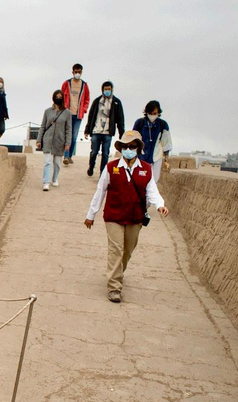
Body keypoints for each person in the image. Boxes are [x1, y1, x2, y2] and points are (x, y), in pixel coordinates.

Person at [84, 130, 169, 303]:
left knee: (128, 250)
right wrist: (90, 215)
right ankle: (114, 287)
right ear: (121, 148)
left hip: (134, 217)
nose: (128, 149)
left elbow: (152, 190)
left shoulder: (146, 169)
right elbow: (100, 192)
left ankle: (118, 271)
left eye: (132, 146)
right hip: (114, 216)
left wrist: (160, 205)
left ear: (138, 148)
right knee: (116, 249)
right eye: (125, 146)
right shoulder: (111, 168)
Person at [84, 81, 125, 177]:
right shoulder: (97, 101)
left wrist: (122, 134)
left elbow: (120, 119)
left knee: (105, 153)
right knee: (94, 152)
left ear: (112, 89)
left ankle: (102, 173)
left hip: (107, 132)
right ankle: (91, 167)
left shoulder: (116, 102)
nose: (107, 91)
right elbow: (91, 116)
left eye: (109, 89)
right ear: (102, 90)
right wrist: (87, 130)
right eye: (105, 89)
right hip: (96, 131)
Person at [36, 90, 72, 191]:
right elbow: (43, 126)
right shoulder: (47, 111)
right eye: (57, 96)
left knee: (57, 162)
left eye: (60, 97)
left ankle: (55, 178)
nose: (58, 98)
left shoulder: (67, 113)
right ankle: (46, 182)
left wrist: (68, 142)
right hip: (48, 139)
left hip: (60, 140)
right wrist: (39, 140)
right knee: (47, 162)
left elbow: (69, 129)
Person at [133, 101, 172, 183]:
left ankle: (151, 196)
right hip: (142, 156)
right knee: (140, 180)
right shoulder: (139, 123)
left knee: (154, 181)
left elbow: (166, 142)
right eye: (150, 113)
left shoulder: (163, 125)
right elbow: (133, 139)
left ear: (158, 113)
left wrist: (166, 159)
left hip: (156, 157)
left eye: (155, 113)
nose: (152, 115)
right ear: (146, 112)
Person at [61, 63, 90, 165]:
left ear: (81, 72)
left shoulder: (84, 85)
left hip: (78, 115)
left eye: (79, 72)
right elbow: (60, 95)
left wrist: (84, 109)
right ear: (72, 72)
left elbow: (87, 99)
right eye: (76, 71)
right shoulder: (67, 83)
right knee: (67, 135)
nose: (77, 73)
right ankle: (66, 156)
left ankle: (69, 156)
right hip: (67, 113)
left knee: (74, 136)